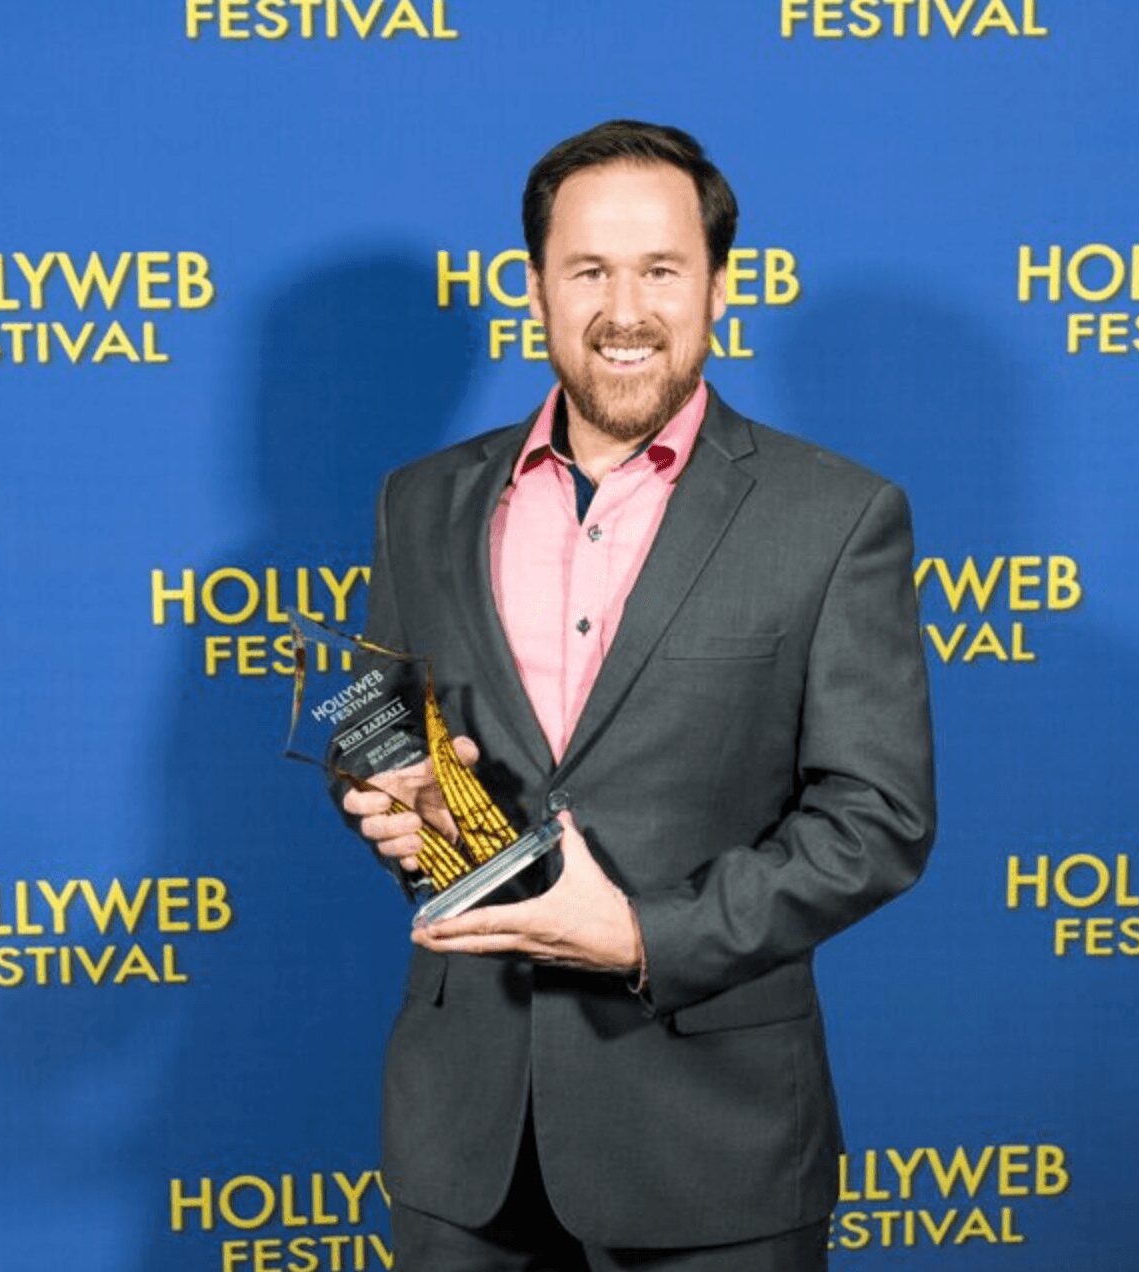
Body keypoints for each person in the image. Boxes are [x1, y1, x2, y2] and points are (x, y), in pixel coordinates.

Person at [334, 119, 936, 1271]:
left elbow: (876, 818)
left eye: (660, 270)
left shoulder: (835, 517)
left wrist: (642, 935)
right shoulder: (420, 502)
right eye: (587, 272)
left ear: (718, 287)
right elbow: (382, 728)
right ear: (534, 291)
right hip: (460, 1147)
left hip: (711, 1148)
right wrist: (390, 798)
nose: (625, 310)